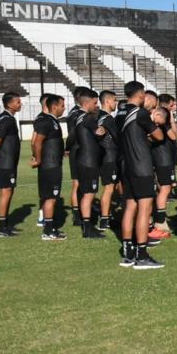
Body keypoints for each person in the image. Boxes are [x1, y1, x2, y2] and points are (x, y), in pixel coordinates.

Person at [116, 80, 167, 269]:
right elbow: (159, 136)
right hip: (141, 165)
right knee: (145, 209)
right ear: (140, 95)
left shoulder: (119, 113)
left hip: (125, 165)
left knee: (129, 207)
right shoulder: (140, 113)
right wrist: (156, 122)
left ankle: (128, 252)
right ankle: (142, 254)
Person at [67, 88, 108, 239]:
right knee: (89, 194)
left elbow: (71, 138)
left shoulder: (77, 118)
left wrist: (68, 149)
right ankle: (88, 228)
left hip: (80, 159)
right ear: (87, 103)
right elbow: (99, 133)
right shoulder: (88, 118)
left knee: (85, 193)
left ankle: (86, 226)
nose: (96, 105)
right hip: (89, 160)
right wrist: (103, 130)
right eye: (95, 103)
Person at [0, 91, 22, 237]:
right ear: (9, 104)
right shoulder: (6, 120)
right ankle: (1, 229)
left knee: (8, 191)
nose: (20, 104)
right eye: (17, 102)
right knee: (6, 192)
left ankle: (5, 225)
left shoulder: (6, 118)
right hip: (5, 162)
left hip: (8, 161)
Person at [32, 93, 67, 241]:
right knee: (51, 197)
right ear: (54, 107)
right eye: (62, 105)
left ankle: (49, 228)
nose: (64, 108)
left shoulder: (52, 121)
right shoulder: (46, 121)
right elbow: (36, 141)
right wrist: (38, 159)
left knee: (50, 197)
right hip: (50, 165)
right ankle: (48, 231)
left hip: (52, 163)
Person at [148, 93, 177, 240]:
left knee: (158, 189)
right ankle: (160, 221)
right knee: (165, 188)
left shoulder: (151, 121)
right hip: (164, 160)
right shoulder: (162, 122)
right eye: (172, 106)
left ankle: (155, 218)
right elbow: (174, 136)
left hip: (155, 159)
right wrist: (170, 118)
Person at [96, 90, 120, 231]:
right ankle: (104, 219)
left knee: (110, 187)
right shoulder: (108, 119)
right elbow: (118, 138)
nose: (116, 103)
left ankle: (107, 215)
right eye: (114, 100)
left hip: (103, 156)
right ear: (107, 101)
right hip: (110, 157)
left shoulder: (97, 116)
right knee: (109, 188)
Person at [65, 85, 88, 227]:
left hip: (79, 150)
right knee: (77, 183)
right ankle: (76, 215)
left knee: (81, 182)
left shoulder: (75, 112)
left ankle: (81, 210)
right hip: (78, 150)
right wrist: (68, 147)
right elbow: (73, 134)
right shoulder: (76, 114)